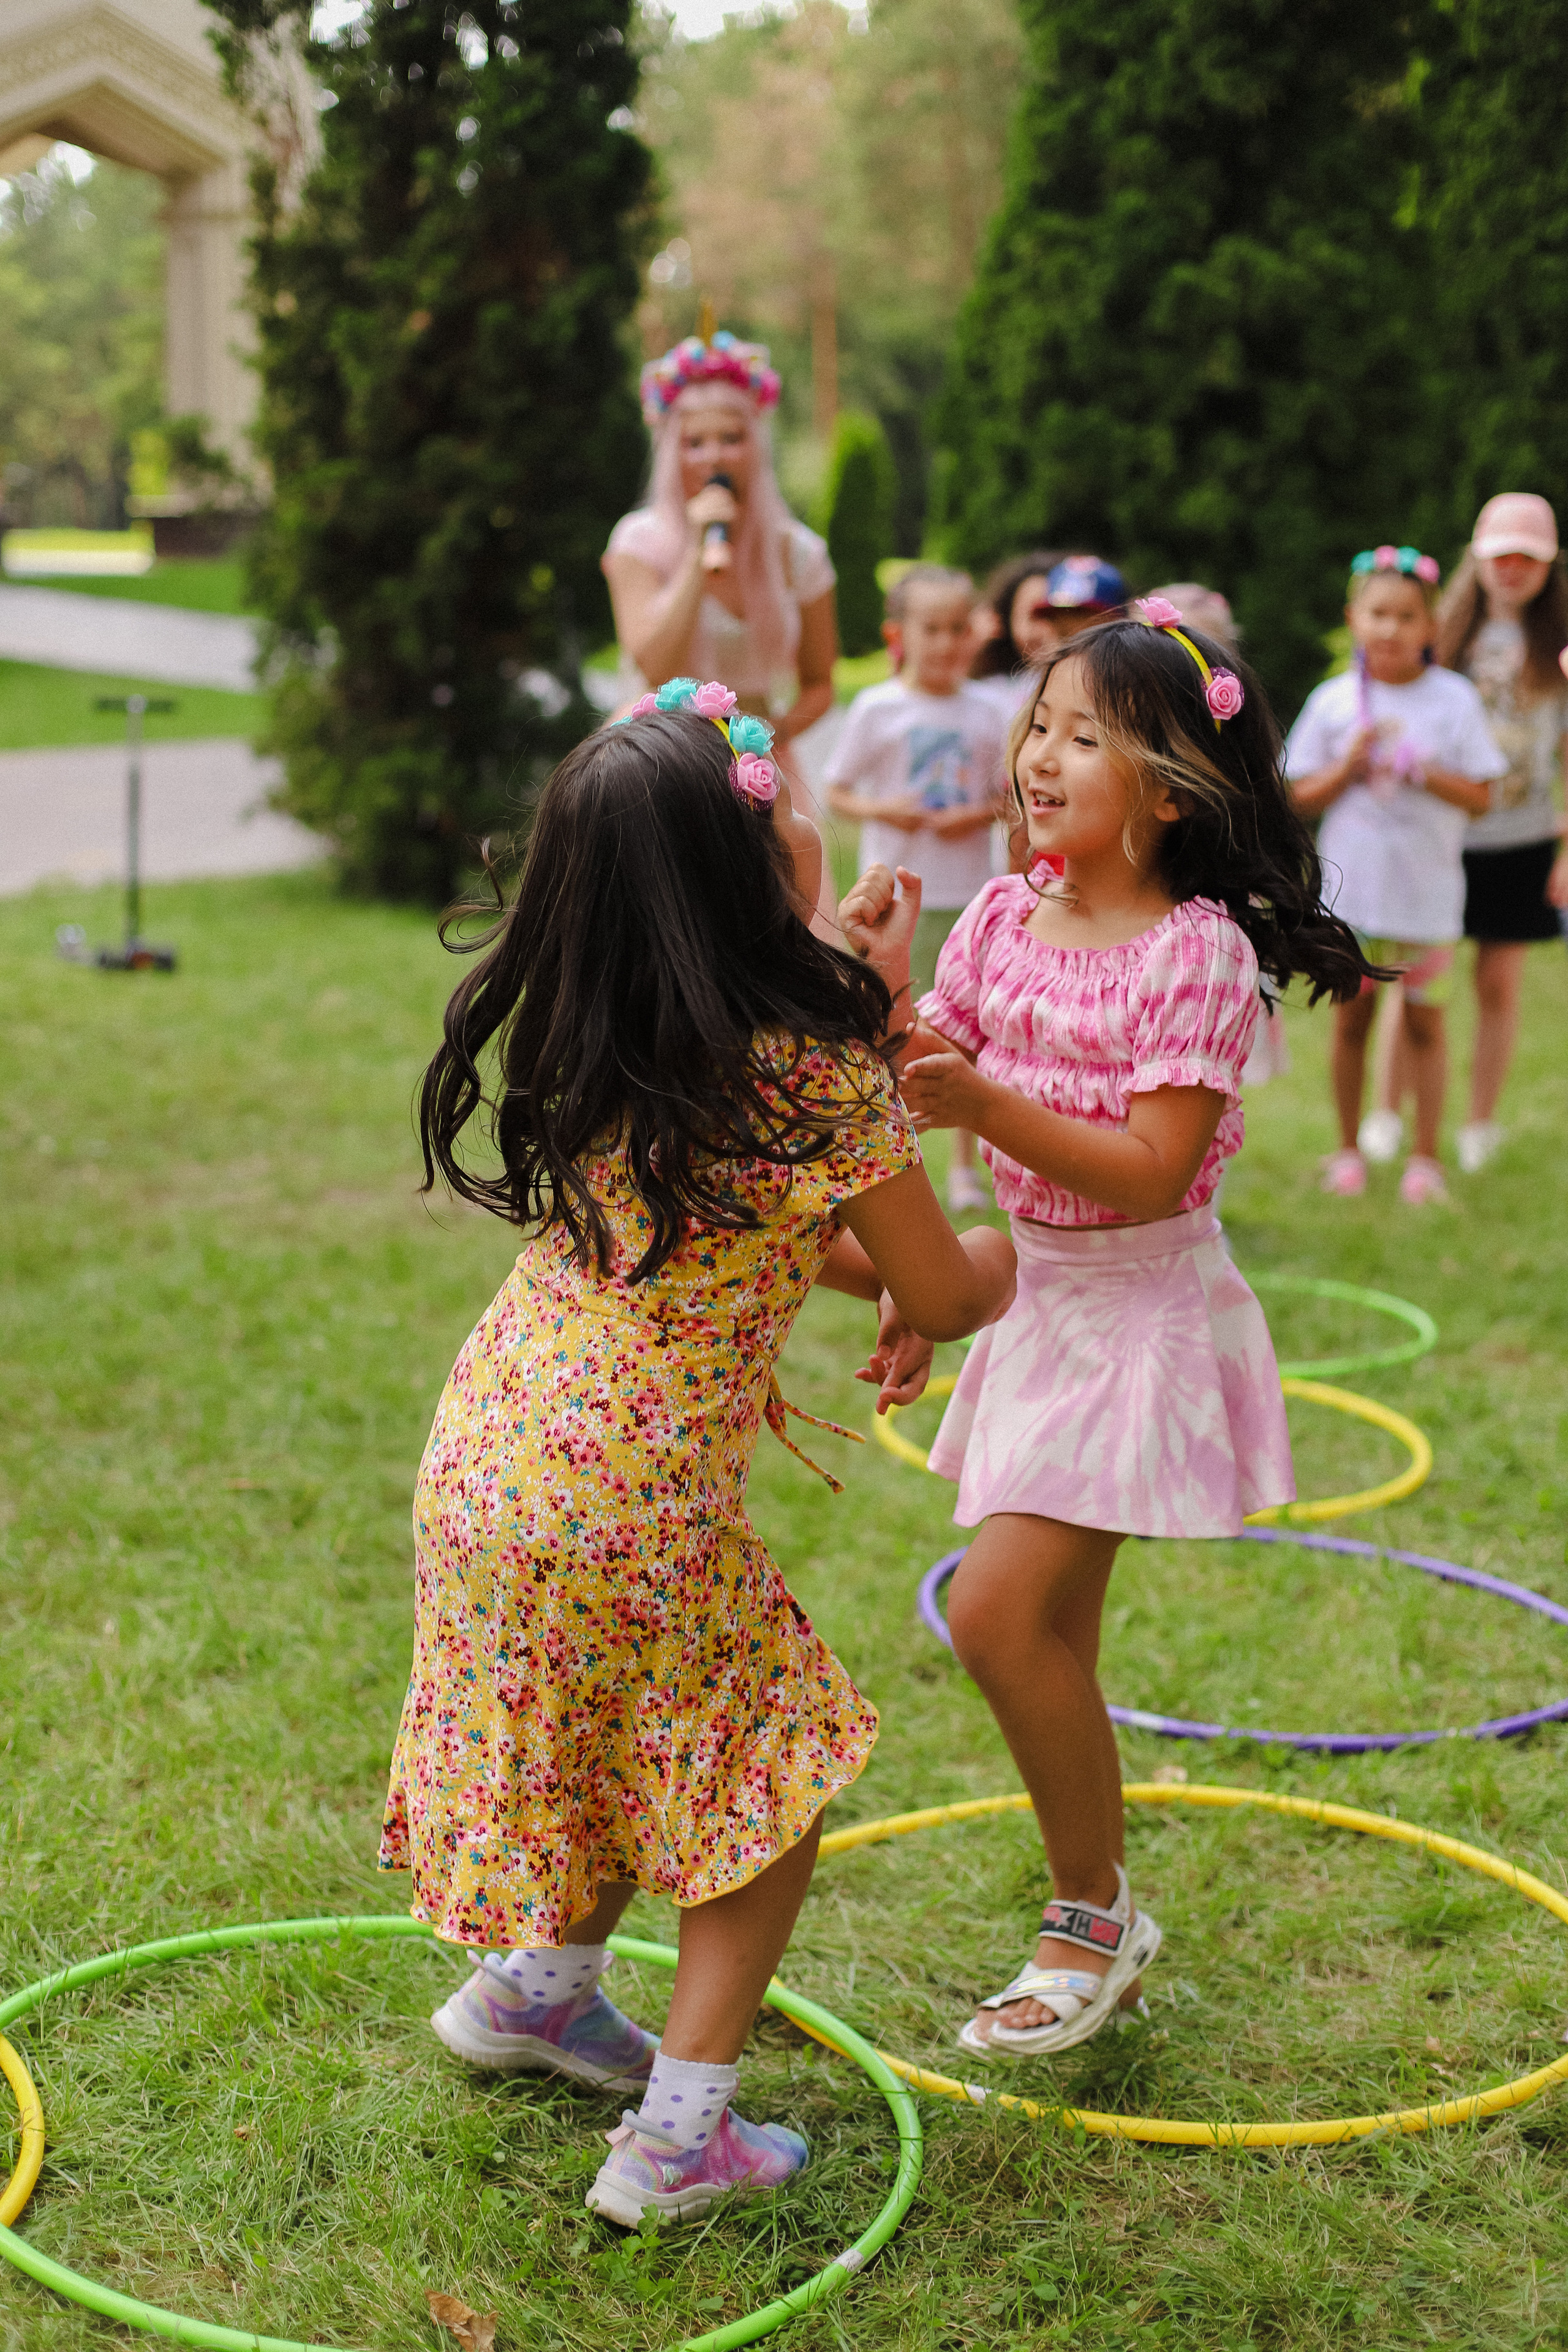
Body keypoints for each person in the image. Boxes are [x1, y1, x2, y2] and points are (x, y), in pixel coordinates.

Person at [379, 683, 1015, 2228]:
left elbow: (762, 1223)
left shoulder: (610, 1030)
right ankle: (679, 2139)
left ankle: (535, 1993)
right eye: (777, 799)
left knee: (612, 1734)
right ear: (742, 875)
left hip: (489, 1468)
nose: (808, 816)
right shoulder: (814, 1072)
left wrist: (854, 1005)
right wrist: (1008, 1253)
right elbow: (936, 1285)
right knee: (761, 1792)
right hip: (629, 1505)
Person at [840, 599, 1370, 2060]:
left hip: (1139, 1313)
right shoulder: (1005, 911)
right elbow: (926, 1059)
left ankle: (1090, 1915)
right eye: (1040, 725)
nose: (1040, 754)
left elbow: (1144, 1167)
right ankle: (1098, 1910)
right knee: (1045, 1623)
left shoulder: (1190, 952)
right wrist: (886, 988)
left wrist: (981, 1104)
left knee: (999, 1612)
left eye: (1085, 735)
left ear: (1167, 785)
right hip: (1033, 1294)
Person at [1285, 545, 1505, 1204]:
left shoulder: (1453, 701)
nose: (1390, 628)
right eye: (1377, 613)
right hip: (1353, 902)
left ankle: (1425, 1158)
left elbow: (1481, 795)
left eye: (1406, 616)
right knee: (1351, 1022)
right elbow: (1296, 797)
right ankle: (1348, 1151)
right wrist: (1348, 766)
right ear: (1353, 618)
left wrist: (1423, 771)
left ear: (1430, 627)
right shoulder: (1331, 703)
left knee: (1425, 1028)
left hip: (1427, 902)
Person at [600, 332, 839, 923]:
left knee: (773, 927)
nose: (713, 457)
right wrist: (697, 559)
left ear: (755, 447)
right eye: (694, 442)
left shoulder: (799, 555)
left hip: (760, 760)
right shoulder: (639, 543)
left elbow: (820, 684)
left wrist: (768, 733)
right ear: (671, 452)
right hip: (654, 757)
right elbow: (653, 663)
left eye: (730, 439)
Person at [1364, 496, 1568, 1174]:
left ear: (1547, 565)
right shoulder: (1439, 634)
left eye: (1527, 558)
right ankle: (1386, 1113)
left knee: (1497, 986)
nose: (1511, 569)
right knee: (1414, 980)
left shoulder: (1559, 641)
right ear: (1476, 558)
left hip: (1523, 834)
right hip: (1439, 835)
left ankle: (1478, 1123)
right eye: (1500, 554)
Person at [823, 565, 1011, 1213]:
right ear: (898, 634)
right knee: (890, 1029)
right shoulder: (878, 707)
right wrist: (885, 810)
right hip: (896, 906)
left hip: (968, 899)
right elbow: (837, 790)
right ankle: (888, 1158)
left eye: (959, 627)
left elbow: (1006, 794)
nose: (947, 642)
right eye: (932, 628)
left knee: (965, 1034)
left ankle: (962, 1165)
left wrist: (980, 812)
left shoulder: (991, 709)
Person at [968, 550, 1066, 727]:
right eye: (1035, 616)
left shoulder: (1097, 686)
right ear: (1006, 621)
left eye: (1057, 616)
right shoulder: (990, 690)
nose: (1047, 631)